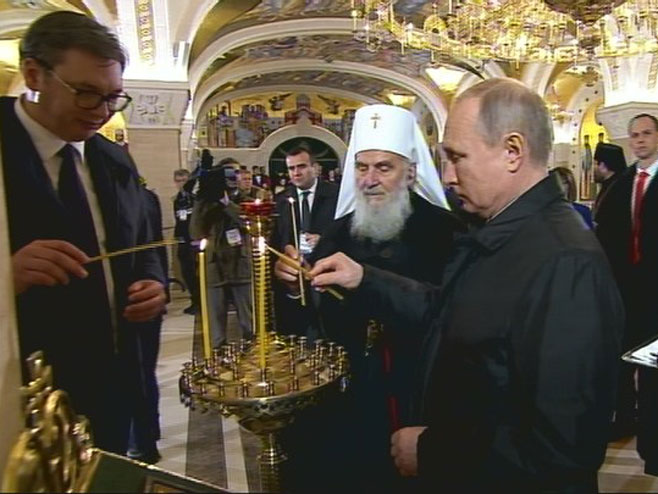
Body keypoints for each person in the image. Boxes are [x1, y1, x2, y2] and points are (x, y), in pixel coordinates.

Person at [310, 78, 624, 493]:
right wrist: (365, 279)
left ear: (512, 151)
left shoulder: (566, 262)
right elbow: (449, 313)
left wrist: (432, 451)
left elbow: (562, 446)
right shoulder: (503, 231)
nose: (448, 176)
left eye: (457, 158)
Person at [274, 104, 462, 494]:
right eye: (361, 168)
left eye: (383, 168)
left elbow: (450, 314)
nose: (369, 180)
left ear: (410, 172)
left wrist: (367, 281)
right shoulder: (338, 232)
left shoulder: (445, 231)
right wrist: (295, 284)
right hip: (345, 393)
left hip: (414, 393)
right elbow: (315, 315)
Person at [2, 11, 166, 454]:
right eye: (86, 93)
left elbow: (145, 241)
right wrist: (5, 275)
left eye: (114, 97)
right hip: (20, 393)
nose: (103, 111)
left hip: (112, 377)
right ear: (34, 74)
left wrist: (153, 281)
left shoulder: (114, 160)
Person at [595, 113, 658, 472]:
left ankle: (652, 443)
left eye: (646, 133)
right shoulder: (621, 185)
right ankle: (622, 420)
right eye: (634, 135)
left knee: (652, 371)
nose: (639, 140)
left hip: (656, 294)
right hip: (624, 292)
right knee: (620, 362)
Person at [271, 144, 338, 337]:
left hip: (327, 279)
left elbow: (347, 234)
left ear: (315, 168)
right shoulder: (280, 200)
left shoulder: (336, 195)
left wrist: (324, 241)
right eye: (291, 168)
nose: (296, 172)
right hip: (294, 280)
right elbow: (276, 240)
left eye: (301, 166)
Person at [190, 165, 252, 347]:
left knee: (249, 321)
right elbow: (195, 232)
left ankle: (252, 352)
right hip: (214, 267)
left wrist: (227, 204)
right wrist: (201, 202)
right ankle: (218, 356)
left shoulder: (245, 200)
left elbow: (249, 223)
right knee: (215, 325)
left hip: (240, 265)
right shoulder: (206, 204)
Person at [173, 169, 197, 314]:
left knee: (195, 272)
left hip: (194, 240)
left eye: (184, 181)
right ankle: (193, 299)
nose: (181, 184)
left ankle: (199, 301)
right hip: (182, 240)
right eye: (178, 181)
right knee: (186, 272)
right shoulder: (178, 200)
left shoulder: (194, 199)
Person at [592, 142, 626, 220]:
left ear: (603, 165)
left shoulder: (619, 189)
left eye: (595, 164)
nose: (593, 168)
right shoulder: (608, 185)